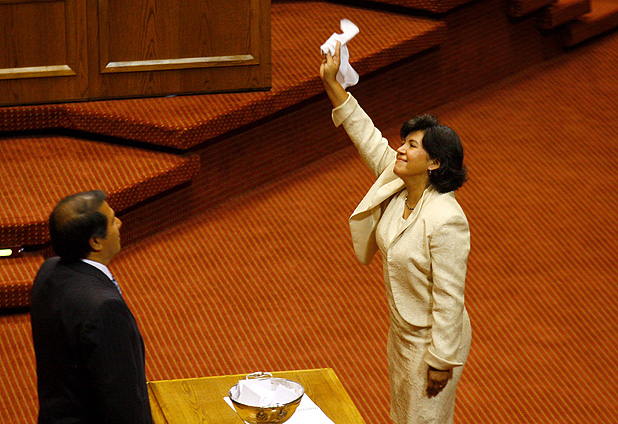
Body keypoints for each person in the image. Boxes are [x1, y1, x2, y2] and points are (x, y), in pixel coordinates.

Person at [320, 43, 472, 424]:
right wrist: (333, 85)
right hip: (401, 336)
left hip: (432, 342)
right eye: (403, 142)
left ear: (434, 162)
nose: (400, 150)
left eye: (411, 146)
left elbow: (450, 298)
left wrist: (441, 360)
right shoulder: (399, 181)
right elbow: (367, 137)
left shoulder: (446, 220)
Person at [30, 190, 153, 424]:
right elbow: (120, 401)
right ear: (95, 242)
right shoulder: (105, 308)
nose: (120, 223)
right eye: (112, 221)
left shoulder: (48, 270)